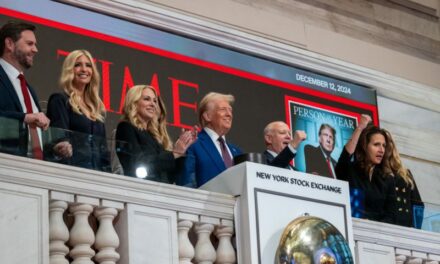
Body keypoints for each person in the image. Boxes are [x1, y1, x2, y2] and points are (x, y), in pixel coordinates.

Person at [115, 85, 196, 183]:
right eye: (146, 99)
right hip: (140, 189)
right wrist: (173, 154)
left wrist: (181, 152)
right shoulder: (126, 127)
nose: (153, 104)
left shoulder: (155, 136)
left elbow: (169, 175)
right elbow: (136, 163)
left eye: (155, 101)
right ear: (134, 102)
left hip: (161, 191)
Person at [46, 49, 109, 171]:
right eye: (78, 65)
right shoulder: (60, 100)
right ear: (69, 70)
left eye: (88, 65)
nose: (84, 69)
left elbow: (104, 152)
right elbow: (60, 141)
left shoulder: (97, 109)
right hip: (71, 173)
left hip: (98, 178)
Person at [0, 21, 49, 158]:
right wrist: (25, 117)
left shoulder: (29, 90)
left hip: (34, 170)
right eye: (29, 44)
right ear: (9, 44)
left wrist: (54, 146)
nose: (35, 49)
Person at [335, 114, 396, 224]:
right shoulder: (351, 170)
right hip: (352, 230)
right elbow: (345, 157)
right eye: (376, 144)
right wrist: (360, 128)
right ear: (364, 146)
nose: (381, 149)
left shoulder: (388, 179)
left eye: (383, 145)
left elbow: (391, 215)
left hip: (379, 234)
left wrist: (372, 224)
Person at [177, 92, 243, 188]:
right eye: (223, 109)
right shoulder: (192, 144)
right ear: (207, 116)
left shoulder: (237, 152)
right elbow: (187, 185)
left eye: (230, 110)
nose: (229, 114)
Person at [385, 129, 424, 228]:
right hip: (387, 227)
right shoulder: (376, 173)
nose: (387, 146)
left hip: (408, 229)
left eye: (389, 142)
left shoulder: (405, 173)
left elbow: (418, 206)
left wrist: (416, 229)